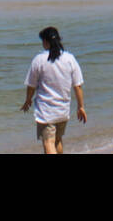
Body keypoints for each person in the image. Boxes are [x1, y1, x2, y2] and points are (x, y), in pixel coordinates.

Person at [21, 26, 86, 154]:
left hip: (46, 111)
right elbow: (77, 86)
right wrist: (81, 107)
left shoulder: (39, 60)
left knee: (48, 142)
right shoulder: (69, 59)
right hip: (63, 110)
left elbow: (31, 85)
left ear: (45, 42)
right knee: (57, 140)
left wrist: (28, 100)